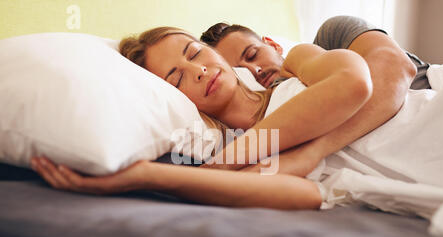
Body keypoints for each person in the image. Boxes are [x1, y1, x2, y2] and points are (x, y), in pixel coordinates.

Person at [29, 26, 374, 211]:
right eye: (176, 79)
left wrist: (230, 164)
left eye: (195, 53)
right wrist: (147, 175)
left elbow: (354, 83)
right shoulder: (216, 146)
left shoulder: (295, 67)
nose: (198, 70)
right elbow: (307, 195)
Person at [200, 16, 419, 177]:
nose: (255, 70)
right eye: (241, 72)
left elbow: (395, 67)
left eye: (252, 55)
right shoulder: (270, 111)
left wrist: (313, 152)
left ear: (274, 45)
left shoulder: (330, 36)